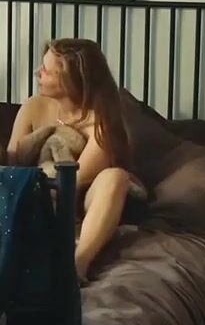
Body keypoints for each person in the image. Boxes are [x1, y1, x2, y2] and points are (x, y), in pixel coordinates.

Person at [7, 39, 136, 283]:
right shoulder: (33, 106)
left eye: (46, 70)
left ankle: (77, 264)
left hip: (79, 200)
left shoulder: (102, 124)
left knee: (116, 177)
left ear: (71, 79)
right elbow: (11, 161)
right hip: (32, 190)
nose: (37, 72)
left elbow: (70, 184)